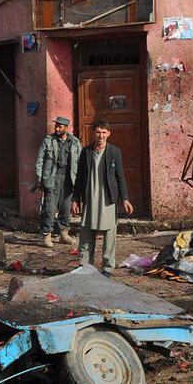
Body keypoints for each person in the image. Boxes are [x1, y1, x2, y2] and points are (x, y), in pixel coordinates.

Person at [72, 118, 133, 276]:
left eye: (104, 132)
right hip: (90, 198)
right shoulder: (86, 152)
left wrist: (125, 199)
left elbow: (120, 177)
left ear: (109, 134)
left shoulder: (114, 152)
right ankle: (85, 265)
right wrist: (75, 199)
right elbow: (79, 177)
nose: (101, 136)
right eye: (98, 132)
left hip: (107, 199)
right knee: (86, 233)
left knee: (109, 235)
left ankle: (107, 267)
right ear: (93, 133)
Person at [35, 116, 82, 248]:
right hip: (52, 177)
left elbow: (79, 161)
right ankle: (46, 235)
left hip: (68, 178)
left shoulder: (74, 142)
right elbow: (40, 160)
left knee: (65, 208)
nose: (57, 128)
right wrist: (39, 179)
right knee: (49, 208)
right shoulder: (48, 140)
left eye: (60, 127)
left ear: (66, 128)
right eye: (56, 126)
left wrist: (79, 180)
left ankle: (63, 234)